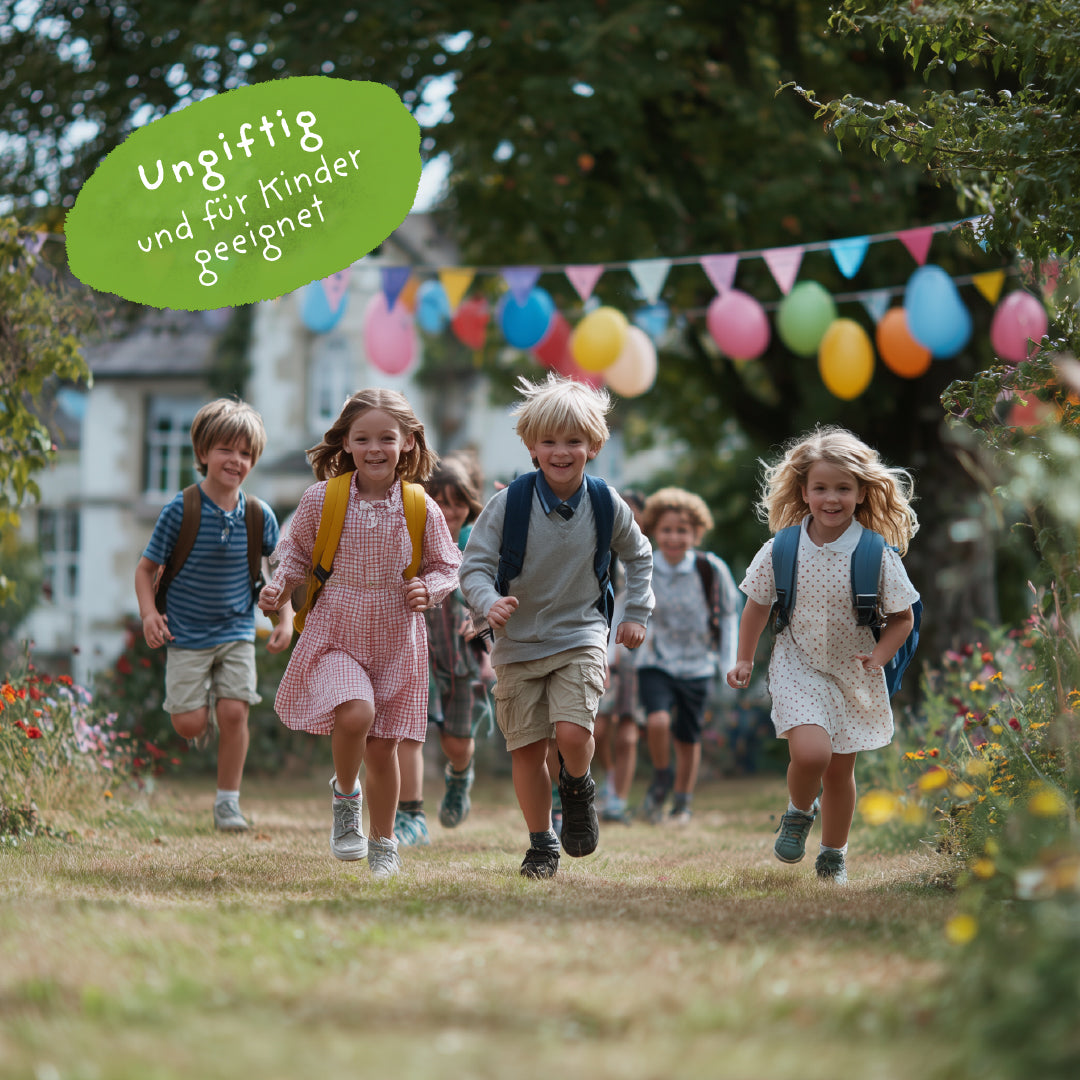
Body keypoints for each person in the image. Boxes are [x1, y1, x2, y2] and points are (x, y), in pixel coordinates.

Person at [258, 389, 461, 879]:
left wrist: (429, 589)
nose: (375, 449)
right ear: (345, 442)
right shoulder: (322, 499)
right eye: (363, 438)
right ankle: (347, 798)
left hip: (397, 637)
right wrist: (279, 589)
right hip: (337, 630)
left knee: (384, 747)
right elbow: (295, 554)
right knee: (356, 712)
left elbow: (448, 565)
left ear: (407, 442)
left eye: (386, 438)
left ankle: (384, 842)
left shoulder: (420, 506)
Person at [460, 372, 653, 879]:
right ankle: (541, 842)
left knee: (571, 730)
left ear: (594, 445)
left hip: (580, 632)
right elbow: (473, 565)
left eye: (573, 441)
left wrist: (636, 613)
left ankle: (577, 784)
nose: (561, 451)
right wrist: (488, 602)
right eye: (548, 441)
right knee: (526, 748)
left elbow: (639, 555)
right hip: (516, 642)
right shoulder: (509, 504)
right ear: (531, 446)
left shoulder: (606, 503)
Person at [726, 426, 919, 884]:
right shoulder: (781, 548)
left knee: (839, 772)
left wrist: (879, 657)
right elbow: (757, 605)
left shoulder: (876, 553)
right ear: (803, 491)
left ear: (861, 492)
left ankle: (833, 855)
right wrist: (745, 658)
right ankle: (798, 811)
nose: (831, 498)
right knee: (812, 755)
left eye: (843, 488)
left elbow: (903, 618)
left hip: (854, 672)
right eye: (820, 488)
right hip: (798, 664)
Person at [134, 397, 293, 832]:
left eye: (246, 453)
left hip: (236, 628)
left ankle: (228, 803)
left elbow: (278, 573)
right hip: (185, 633)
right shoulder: (180, 510)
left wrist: (284, 619)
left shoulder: (258, 515)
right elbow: (145, 569)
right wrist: (149, 615)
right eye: (226, 449)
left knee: (236, 712)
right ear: (203, 452)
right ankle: (199, 709)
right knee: (189, 725)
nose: (236, 460)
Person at [394, 455, 493, 846]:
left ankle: (460, 774)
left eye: (456, 501)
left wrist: (481, 618)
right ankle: (410, 815)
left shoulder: (478, 542)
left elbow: (500, 587)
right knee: (408, 733)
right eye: (437, 500)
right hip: (413, 653)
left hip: (461, 659)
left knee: (456, 743)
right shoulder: (408, 537)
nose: (447, 510)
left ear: (469, 503)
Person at [634, 487, 739, 824]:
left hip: (699, 664)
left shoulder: (711, 568)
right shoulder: (645, 566)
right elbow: (628, 607)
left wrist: (728, 663)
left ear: (696, 533)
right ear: (653, 530)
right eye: (666, 529)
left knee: (688, 735)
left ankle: (682, 801)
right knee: (657, 721)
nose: (674, 537)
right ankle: (662, 774)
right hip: (656, 660)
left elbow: (728, 616)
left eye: (682, 530)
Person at [595, 488, 647, 823]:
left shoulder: (646, 557)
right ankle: (610, 778)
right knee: (596, 731)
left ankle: (618, 800)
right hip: (603, 652)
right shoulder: (599, 552)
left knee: (628, 731)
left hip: (639, 658)